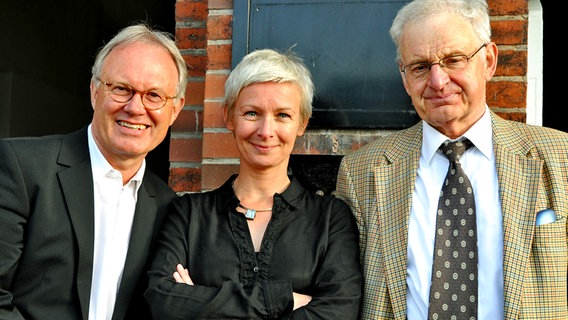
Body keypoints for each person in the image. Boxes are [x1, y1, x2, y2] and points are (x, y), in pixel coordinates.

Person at [335, 0, 568, 319]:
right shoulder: (361, 172)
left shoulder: (560, 155)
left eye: (453, 60)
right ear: (404, 78)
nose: (437, 81)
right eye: (419, 66)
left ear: (488, 60)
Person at [144, 48, 362, 319]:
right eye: (251, 113)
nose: (266, 131)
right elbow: (164, 301)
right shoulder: (188, 214)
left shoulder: (331, 219)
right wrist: (285, 299)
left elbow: (339, 313)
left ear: (302, 123)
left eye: (283, 115)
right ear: (228, 116)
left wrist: (200, 301)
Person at [0, 23, 187, 319]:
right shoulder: (21, 167)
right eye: (122, 89)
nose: (136, 108)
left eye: (154, 96)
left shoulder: (168, 206)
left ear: (175, 109)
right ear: (94, 91)